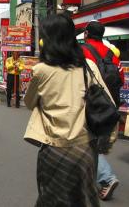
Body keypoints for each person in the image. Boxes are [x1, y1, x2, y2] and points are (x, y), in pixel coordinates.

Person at [24, 14, 114, 207]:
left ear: (47, 40)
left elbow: (29, 102)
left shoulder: (41, 70)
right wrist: (108, 140)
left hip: (53, 148)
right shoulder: (87, 67)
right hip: (84, 149)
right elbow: (108, 102)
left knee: (51, 200)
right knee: (83, 200)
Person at [82, 20, 123, 200]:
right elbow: (120, 77)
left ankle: (106, 177)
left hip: (91, 102)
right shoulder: (112, 54)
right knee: (96, 141)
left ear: (86, 34)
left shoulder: (82, 51)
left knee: (86, 140)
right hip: (109, 103)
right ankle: (97, 178)